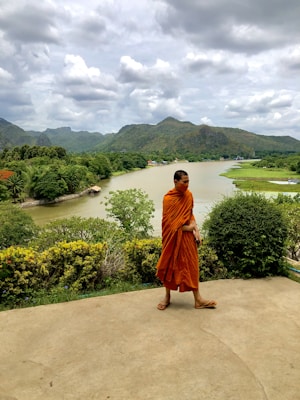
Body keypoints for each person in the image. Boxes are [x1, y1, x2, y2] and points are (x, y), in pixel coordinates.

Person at [156, 170, 217, 310]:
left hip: (187, 239)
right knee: (170, 266)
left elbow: (190, 214)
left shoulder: (188, 195)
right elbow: (171, 225)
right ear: (175, 181)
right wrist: (189, 229)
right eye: (184, 182)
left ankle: (198, 300)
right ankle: (167, 297)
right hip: (172, 238)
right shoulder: (168, 199)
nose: (187, 185)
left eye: (188, 181)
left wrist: (196, 230)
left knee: (191, 265)